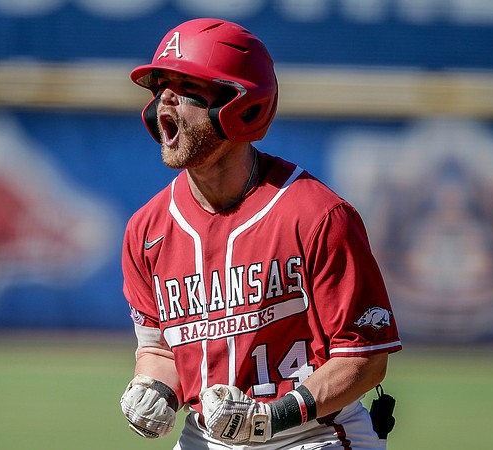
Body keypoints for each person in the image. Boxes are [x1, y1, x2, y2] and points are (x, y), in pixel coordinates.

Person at [119, 18, 402, 450]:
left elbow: (363, 359)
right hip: (207, 437)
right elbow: (159, 350)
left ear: (242, 106)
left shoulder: (317, 215)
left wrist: (271, 417)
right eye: (161, 85)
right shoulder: (147, 230)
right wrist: (156, 390)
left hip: (314, 435)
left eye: (187, 84)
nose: (166, 98)